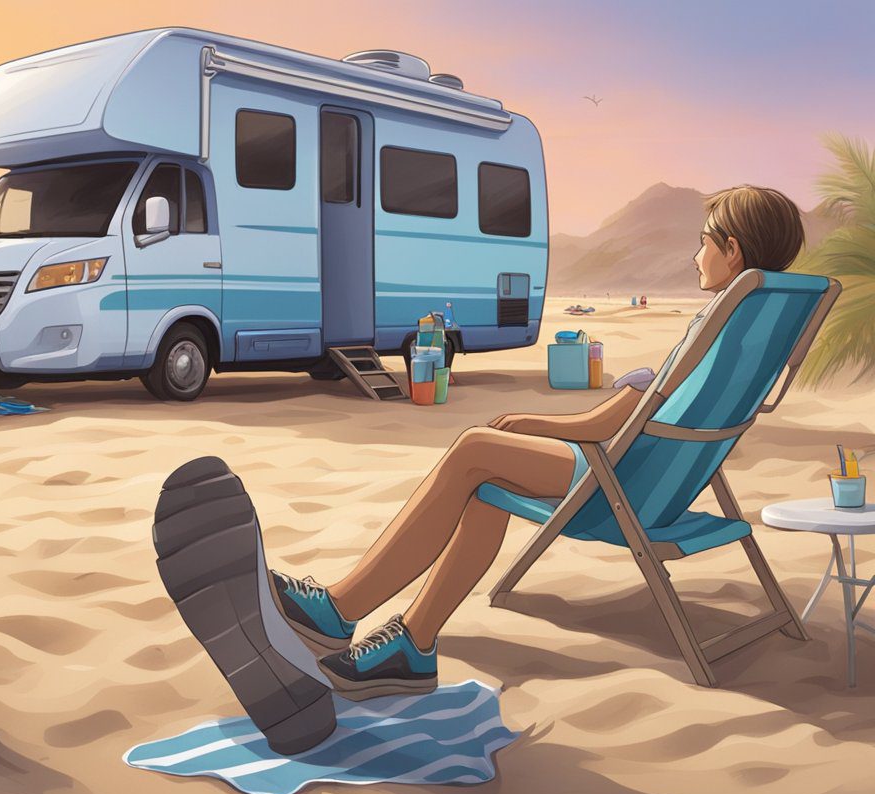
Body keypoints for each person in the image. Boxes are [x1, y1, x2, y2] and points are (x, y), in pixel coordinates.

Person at [268, 185, 806, 700]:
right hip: (660, 482)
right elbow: (654, 415)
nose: (696, 255)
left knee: (475, 449)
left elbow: (613, 422)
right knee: (483, 485)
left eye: (704, 242)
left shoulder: (719, 323)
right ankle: (414, 642)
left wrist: (531, 423)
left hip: (617, 486)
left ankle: (339, 609)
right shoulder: (757, 327)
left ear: (731, 251)